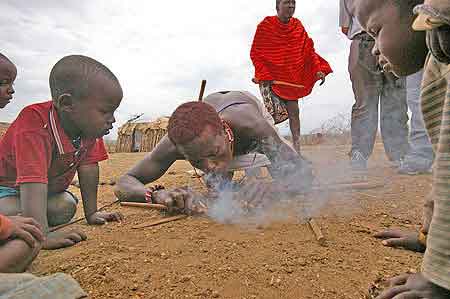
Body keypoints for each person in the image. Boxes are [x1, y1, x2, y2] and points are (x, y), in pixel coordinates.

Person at [356, 0, 450, 297]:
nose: (373, 49)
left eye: (375, 31)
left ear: (420, 11)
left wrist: (440, 276)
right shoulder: (439, 62)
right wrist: (428, 237)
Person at [0, 55, 124, 250]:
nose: (112, 120)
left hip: (43, 194)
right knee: (23, 216)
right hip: (5, 192)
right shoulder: (34, 123)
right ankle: (29, 226)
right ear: (67, 104)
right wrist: (43, 235)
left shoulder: (88, 128)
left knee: (65, 207)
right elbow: (32, 180)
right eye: (105, 112)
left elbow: (89, 167)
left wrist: (92, 213)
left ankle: (29, 220)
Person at [115, 91, 313, 208]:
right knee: (218, 189)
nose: (210, 167)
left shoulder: (254, 127)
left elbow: (304, 177)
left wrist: (274, 188)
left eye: (214, 153)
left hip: (244, 105)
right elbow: (125, 183)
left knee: (282, 170)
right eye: (197, 161)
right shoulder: (179, 141)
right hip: (216, 119)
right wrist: (156, 195)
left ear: (226, 133)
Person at [250, 0, 332, 155]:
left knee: (295, 114)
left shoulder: (297, 26)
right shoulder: (266, 26)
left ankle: (297, 152)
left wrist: (318, 69)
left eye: (293, 3)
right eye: (287, 3)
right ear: (277, 6)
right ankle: (258, 153)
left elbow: (309, 50)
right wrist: (264, 74)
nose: (291, 6)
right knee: (267, 120)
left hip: (290, 80)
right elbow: (256, 53)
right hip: (270, 80)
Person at [340, 0, 411, 173]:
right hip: (365, 41)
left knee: (395, 99)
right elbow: (344, 26)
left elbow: (344, 26)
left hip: (391, 39)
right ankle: (360, 154)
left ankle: (399, 154)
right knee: (366, 102)